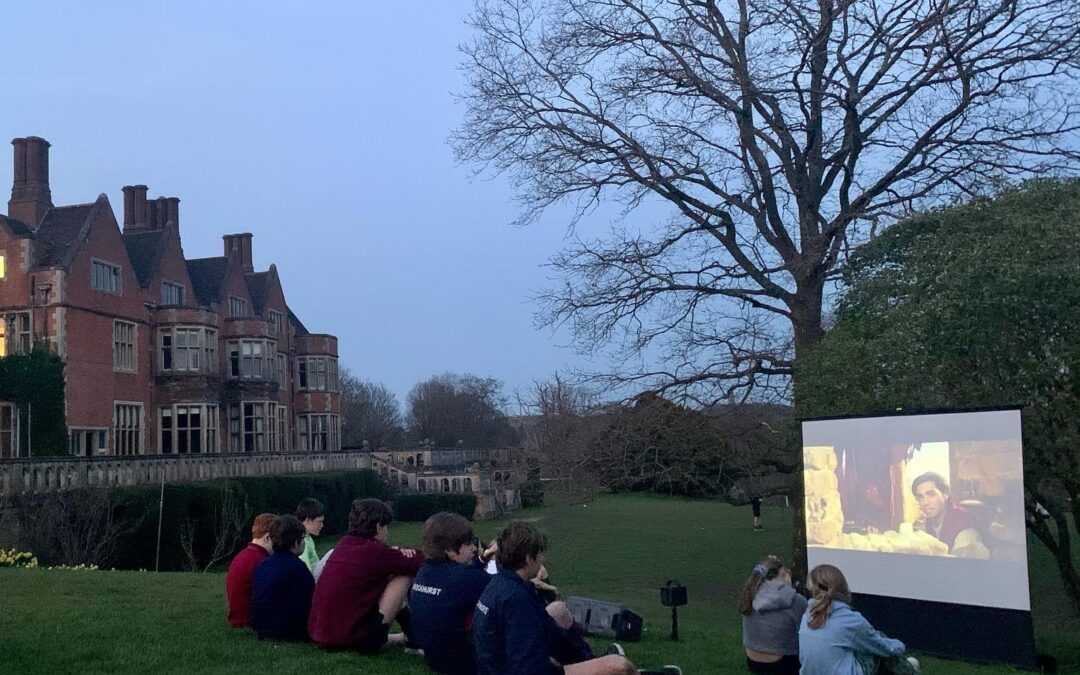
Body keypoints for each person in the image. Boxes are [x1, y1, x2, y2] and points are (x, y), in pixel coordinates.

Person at [472, 521, 681, 675]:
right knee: (619, 666)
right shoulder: (515, 600)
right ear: (528, 558)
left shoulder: (501, 585)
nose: (542, 559)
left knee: (562, 619)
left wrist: (587, 661)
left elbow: (552, 634)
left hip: (501, 666)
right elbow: (529, 670)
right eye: (540, 554)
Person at [308, 498, 423, 653]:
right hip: (350, 641)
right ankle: (415, 639)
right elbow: (418, 560)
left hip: (322, 636)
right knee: (403, 575)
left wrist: (394, 551)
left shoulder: (345, 544)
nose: (387, 531)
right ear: (378, 527)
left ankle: (409, 636)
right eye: (386, 527)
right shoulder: (374, 553)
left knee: (392, 573)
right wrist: (400, 551)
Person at [409, 512, 497, 675]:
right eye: (467, 543)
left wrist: (483, 559)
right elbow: (502, 589)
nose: (473, 547)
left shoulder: (425, 571)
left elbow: (461, 579)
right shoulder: (466, 579)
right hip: (466, 663)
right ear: (450, 550)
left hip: (435, 658)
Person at [799, 564, 920, 675]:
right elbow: (879, 646)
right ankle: (910, 671)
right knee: (880, 644)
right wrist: (900, 646)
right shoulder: (851, 620)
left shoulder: (807, 616)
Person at [250, 514, 316, 641]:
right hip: (287, 632)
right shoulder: (298, 567)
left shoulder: (264, 564)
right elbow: (310, 601)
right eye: (302, 539)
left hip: (262, 628)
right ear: (296, 542)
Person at [738, 556, 806, 674]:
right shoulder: (795, 599)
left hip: (752, 659)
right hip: (782, 664)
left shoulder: (750, 594)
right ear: (783, 572)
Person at [911, 473, 988, 558]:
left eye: (931, 495)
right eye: (920, 497)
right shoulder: (927, 522)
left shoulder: (964, 525)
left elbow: (965, 566)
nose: (925, 502)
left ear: (945, 494)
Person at [225, 512, 276, 628]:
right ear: (268, 537)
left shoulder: (243, 555)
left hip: (238, 617)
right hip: (248, 621)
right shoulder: (261, 561)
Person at [296, 497, 325, 573]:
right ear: (308, 520)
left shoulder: (307, 538)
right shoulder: (301, 542)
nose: (322, 525)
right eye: (319, 522)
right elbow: (306, 570)